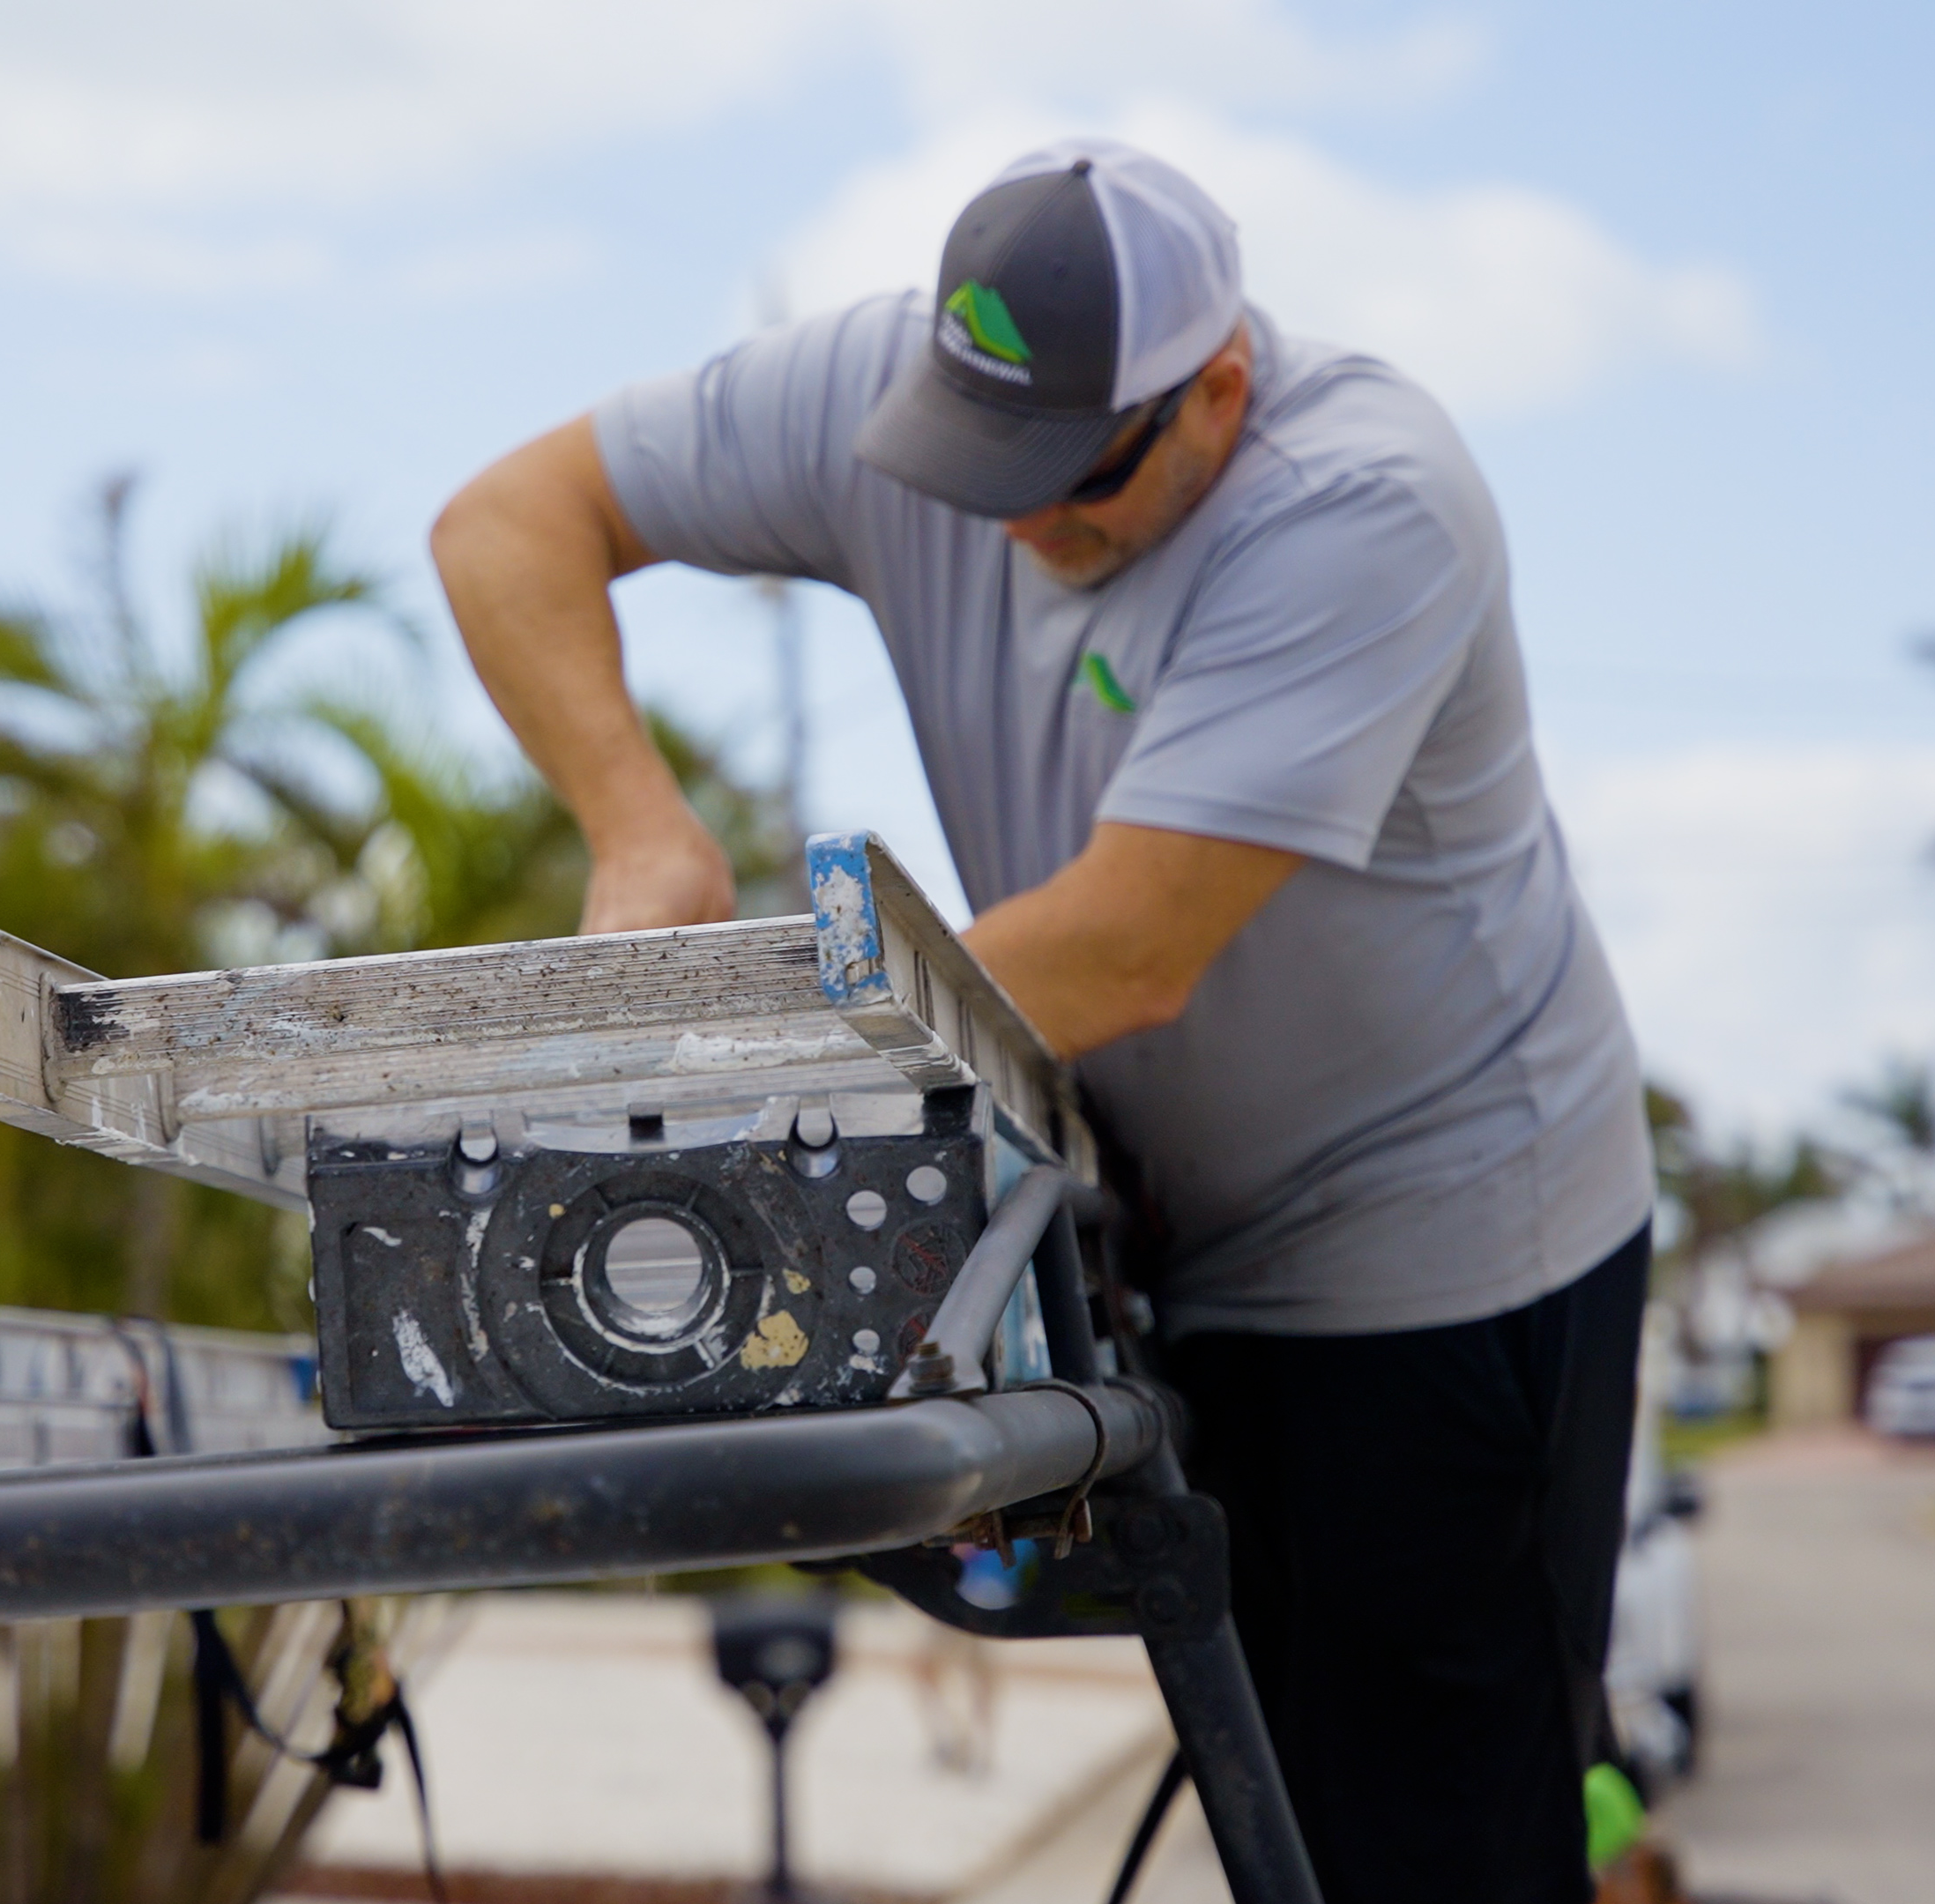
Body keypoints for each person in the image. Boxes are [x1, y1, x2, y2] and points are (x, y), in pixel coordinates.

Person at [430, 138, 1652, 1904]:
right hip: (1203, 1218)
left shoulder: (1365, 503)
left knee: (1427, 1845)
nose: (1013, 522)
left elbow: (1121, 949)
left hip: (1450, 1247)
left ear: (1218, 388)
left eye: (1071, 479)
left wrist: (698, 1072)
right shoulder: (889, 389)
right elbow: (504, 522)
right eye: (975, 462)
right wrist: (639, 824)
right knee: (1287, 1824)